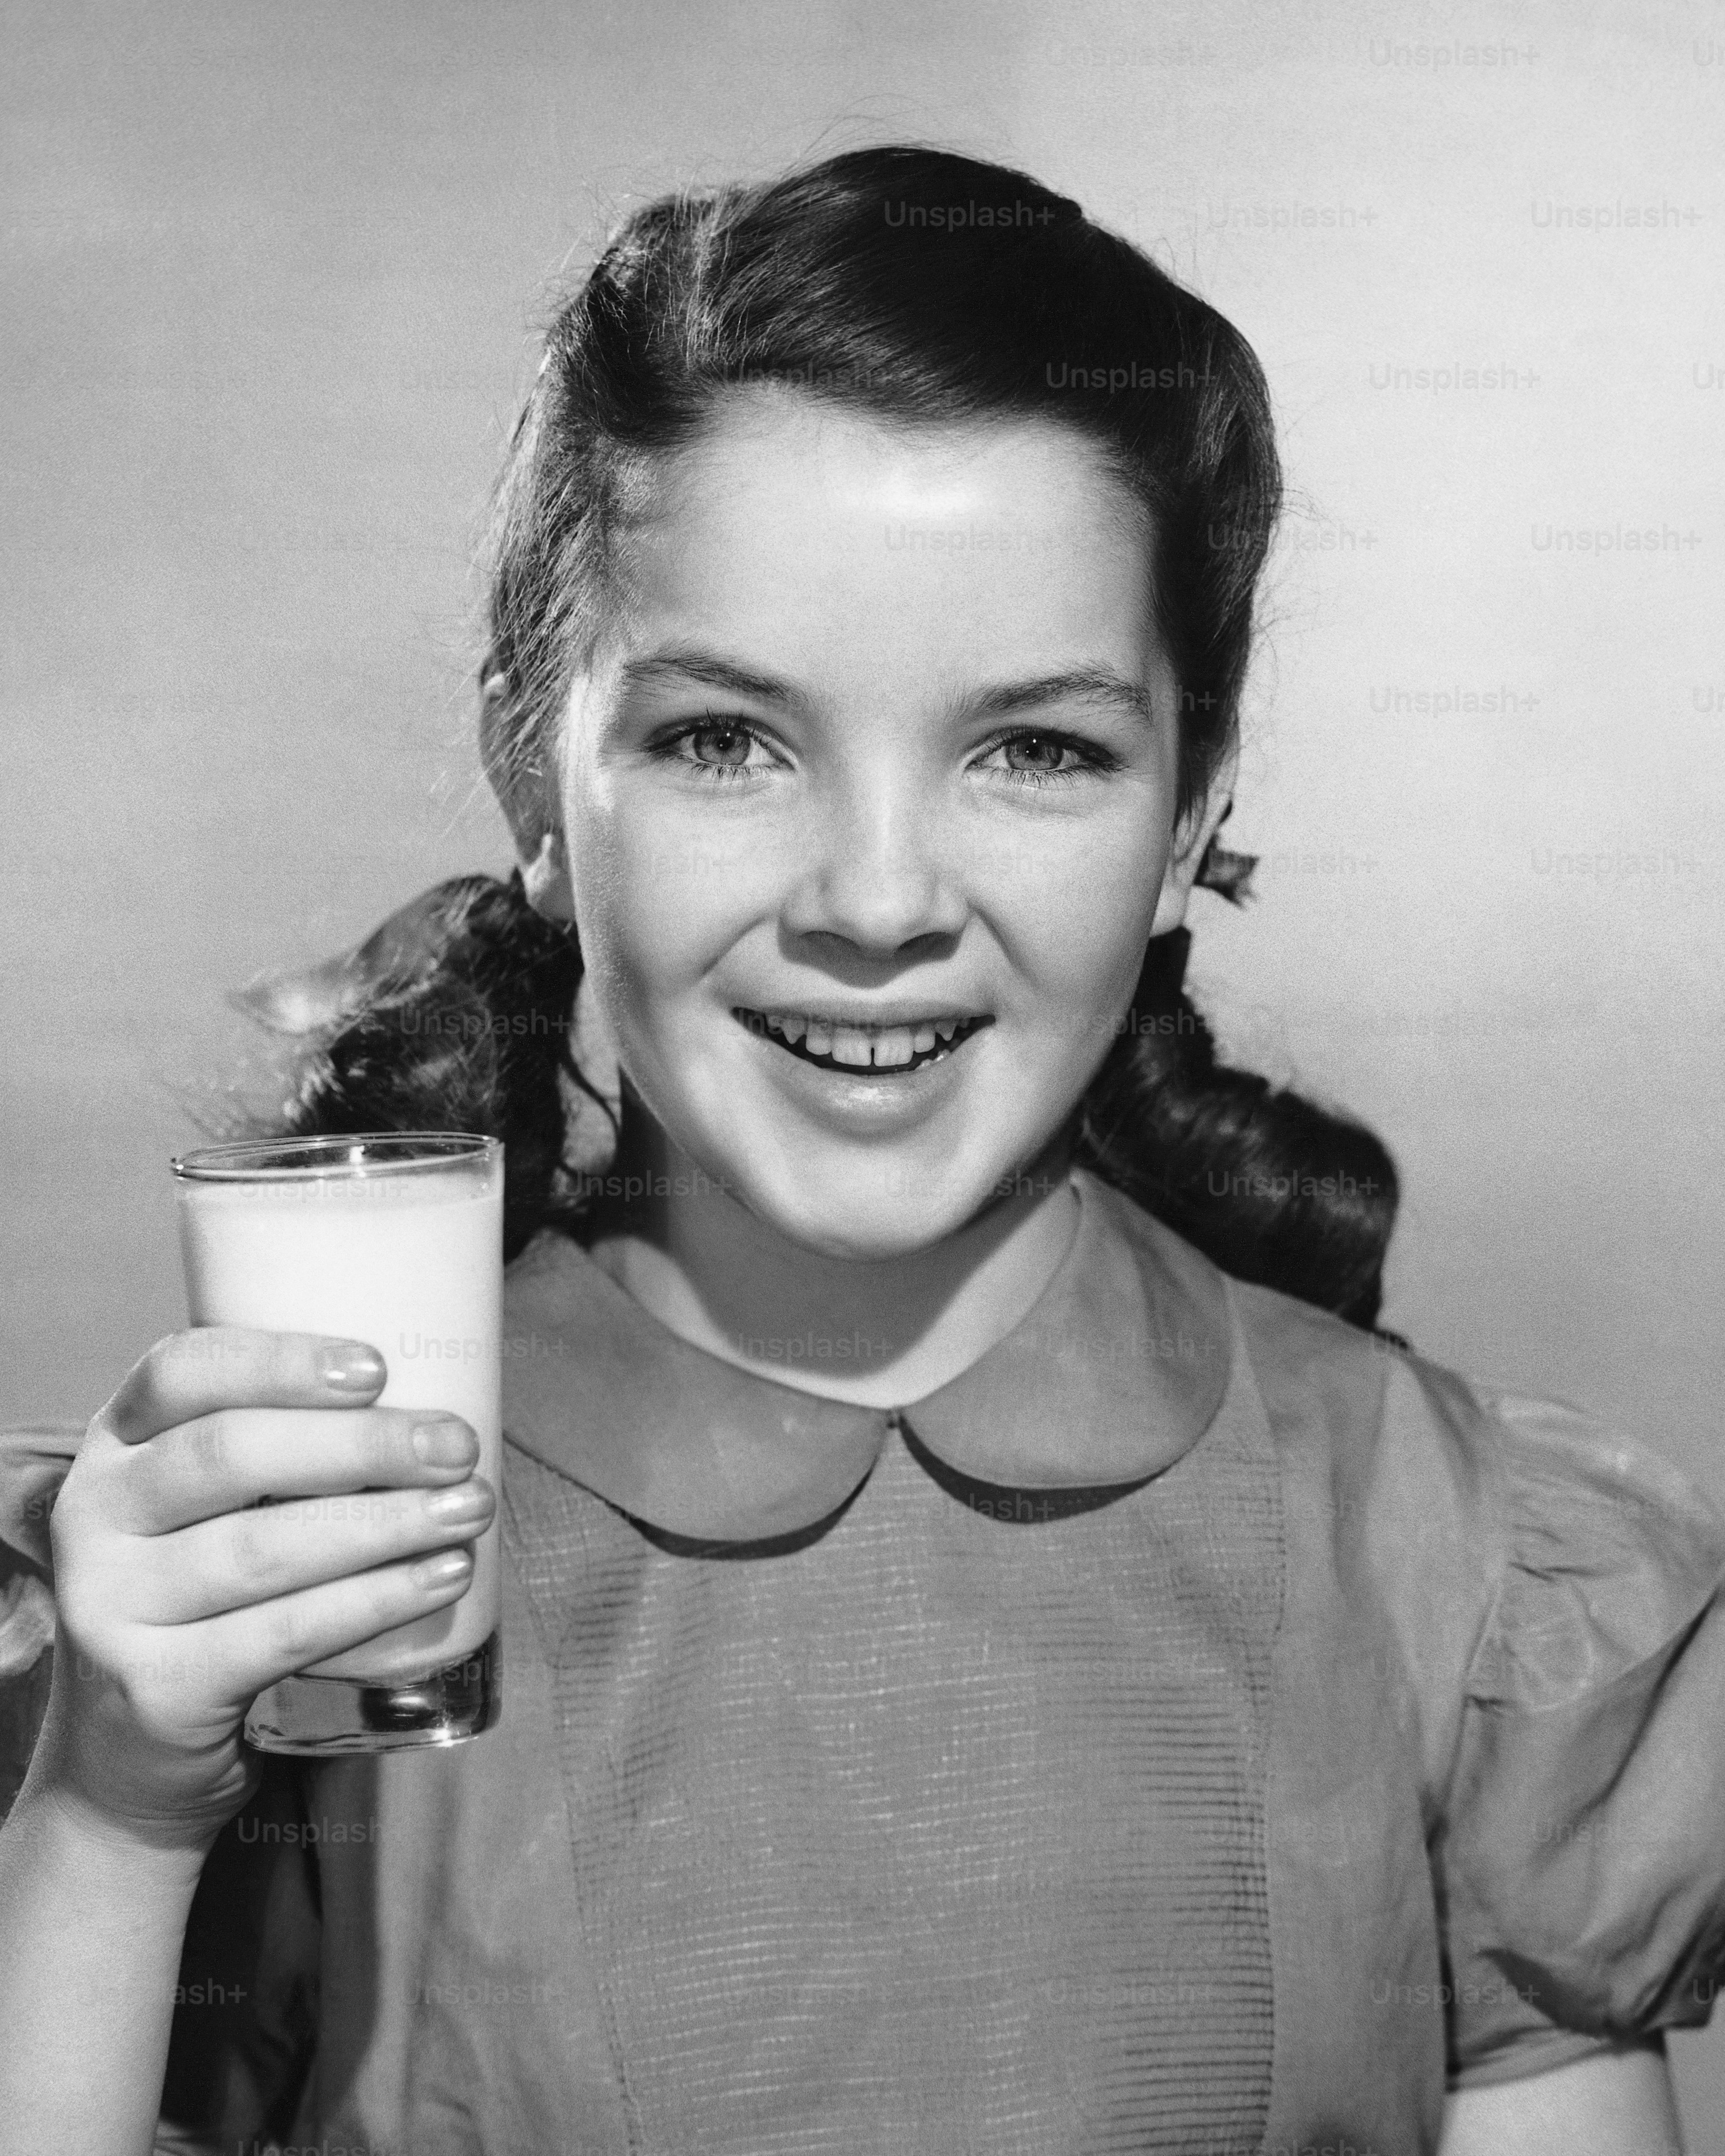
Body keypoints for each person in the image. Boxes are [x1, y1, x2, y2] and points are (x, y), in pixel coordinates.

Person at [1, 144, 1720, 2156]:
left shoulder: (1465, 1573)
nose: (878, 895)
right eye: (724, 738)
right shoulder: (309, 1587)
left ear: (1186, 807)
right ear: (528, 771)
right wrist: (114, 1806)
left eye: (1035, 748)